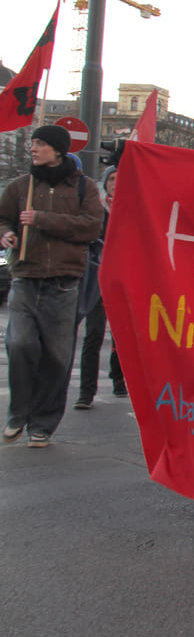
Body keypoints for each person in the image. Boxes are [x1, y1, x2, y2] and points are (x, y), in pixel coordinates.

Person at [1, 125, 104, 448]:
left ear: (58, 150)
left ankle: (43, 423)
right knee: (19, 345)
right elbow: (3, 217)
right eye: (32, 143)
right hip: (26, 278)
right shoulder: (22, 185)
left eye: (41, 143)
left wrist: (42, 219)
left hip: (63, 283)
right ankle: (18, 413)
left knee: (57, 358)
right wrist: (6, 234)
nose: (33, 148)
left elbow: (90, 227)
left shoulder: (83, 189)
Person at [76, 165, 124, 409]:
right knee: (93, 335)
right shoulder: (96, 209)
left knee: (124, 336)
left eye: (120, 179)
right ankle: (86, 392)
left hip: (123, 279)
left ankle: (119, 379)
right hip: (97, 279)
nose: (115, 183)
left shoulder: (131, 209)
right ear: (105, 182)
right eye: (111, 179)